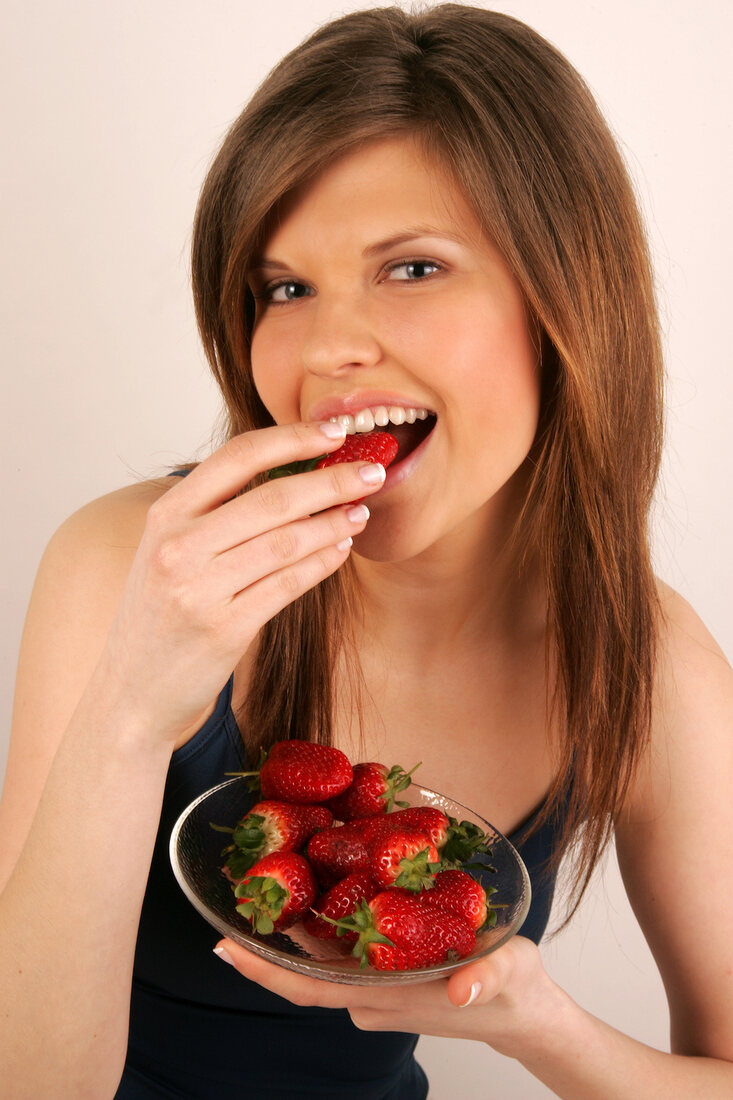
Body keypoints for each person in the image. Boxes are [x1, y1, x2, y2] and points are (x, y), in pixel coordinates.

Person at [1, 4, 731, 1097]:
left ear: (560, 304)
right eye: (283, 289)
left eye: (411, 268)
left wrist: (536, 1021)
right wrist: (129, 706)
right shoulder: (131, 565)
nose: (329, 345)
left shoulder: (645, 658)